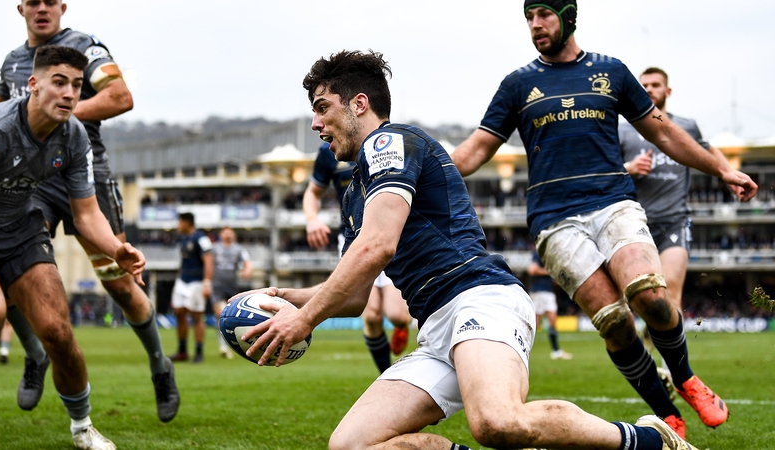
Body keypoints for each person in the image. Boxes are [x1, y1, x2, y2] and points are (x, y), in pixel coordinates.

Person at [240, 49, 697, 450]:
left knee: (498, 422)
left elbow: (377, 248)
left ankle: (652, 440)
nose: (316, 123)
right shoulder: (355, 190)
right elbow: (358, 295)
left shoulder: (388, 142)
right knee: (351, 444)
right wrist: (285, 298)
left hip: (481, 299)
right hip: (437, 326)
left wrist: (302, 321)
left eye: (322, 108)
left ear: (360, 104)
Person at [451, 0, 757, 440]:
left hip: (613, 203)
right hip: (553, 220)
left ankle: (687, 377)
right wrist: (424, 168)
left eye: (544, 14)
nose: (535, 25)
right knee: (613, 320)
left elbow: (664, 131)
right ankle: (665, 411)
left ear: (568, 16)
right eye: (529, 17)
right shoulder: (518, 84)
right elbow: (477, 149)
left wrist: (722, 168)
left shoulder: (611, 71)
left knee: (651, 297)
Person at [0, 0, 179, 423]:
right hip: (30, 181)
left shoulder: (85, 48)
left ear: (63, 7)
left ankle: (161, 366)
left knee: (120, 284)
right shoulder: (14, 61)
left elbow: (120, 96)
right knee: (11, 265)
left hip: (84, 173)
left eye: (51, 1)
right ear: (21, 9)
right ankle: (35, 356)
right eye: (34, 1)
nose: (43, 8)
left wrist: (54, 114)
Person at [620, 66, 733, 398]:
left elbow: (707, 150)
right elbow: (606, 169)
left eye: (656, 85)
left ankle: (676, 373)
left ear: (667, 92)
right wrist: (628, 168)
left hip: (674, 221)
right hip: (635, 223)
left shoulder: (685, 126)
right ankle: (648, 350)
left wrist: (729, 173)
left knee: (670, 296)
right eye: (644, 86)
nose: (650, 89)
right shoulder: (623, 132)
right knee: (645, 301)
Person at [303, 143, 412, 373]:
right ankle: (386, 374)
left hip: (390, 236)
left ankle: (401, 327)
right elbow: (313, 192)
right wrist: (312, 218)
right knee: (370, 316)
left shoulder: (387, 143)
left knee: (398, 315)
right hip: (354, 239)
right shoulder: (328, 151)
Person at [170, 212, 213, 364]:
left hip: (197, 282)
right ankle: (182, 351)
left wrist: (207, 282)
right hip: (182, 280)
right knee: (179, 312)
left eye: (179, 222)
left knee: (196, 316)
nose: (178, 226)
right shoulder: (183, 239)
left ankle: (199, 352)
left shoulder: (201, 238)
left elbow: (208, 260)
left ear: (187, 223)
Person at [211, 226, 253, 359]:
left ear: (233, 235)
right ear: (221, 235)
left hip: (232, 286)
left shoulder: (239, 249)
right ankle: (223, 346)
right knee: (219, 314)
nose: (228, 235)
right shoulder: (214, 248)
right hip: (216, 286)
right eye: (225, 232)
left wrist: (247, 270)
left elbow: (248, 262)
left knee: (233, 316)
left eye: (230, 233)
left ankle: (234, 344)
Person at [528, 250, 572, 360]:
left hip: (547, 292)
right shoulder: (539, 253)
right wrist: (550, 272)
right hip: (539, 292)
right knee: (535, 324)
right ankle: (522, 349)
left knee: (552, 322)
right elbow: (532, 270)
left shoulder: (550, 255)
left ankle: (556, 351)